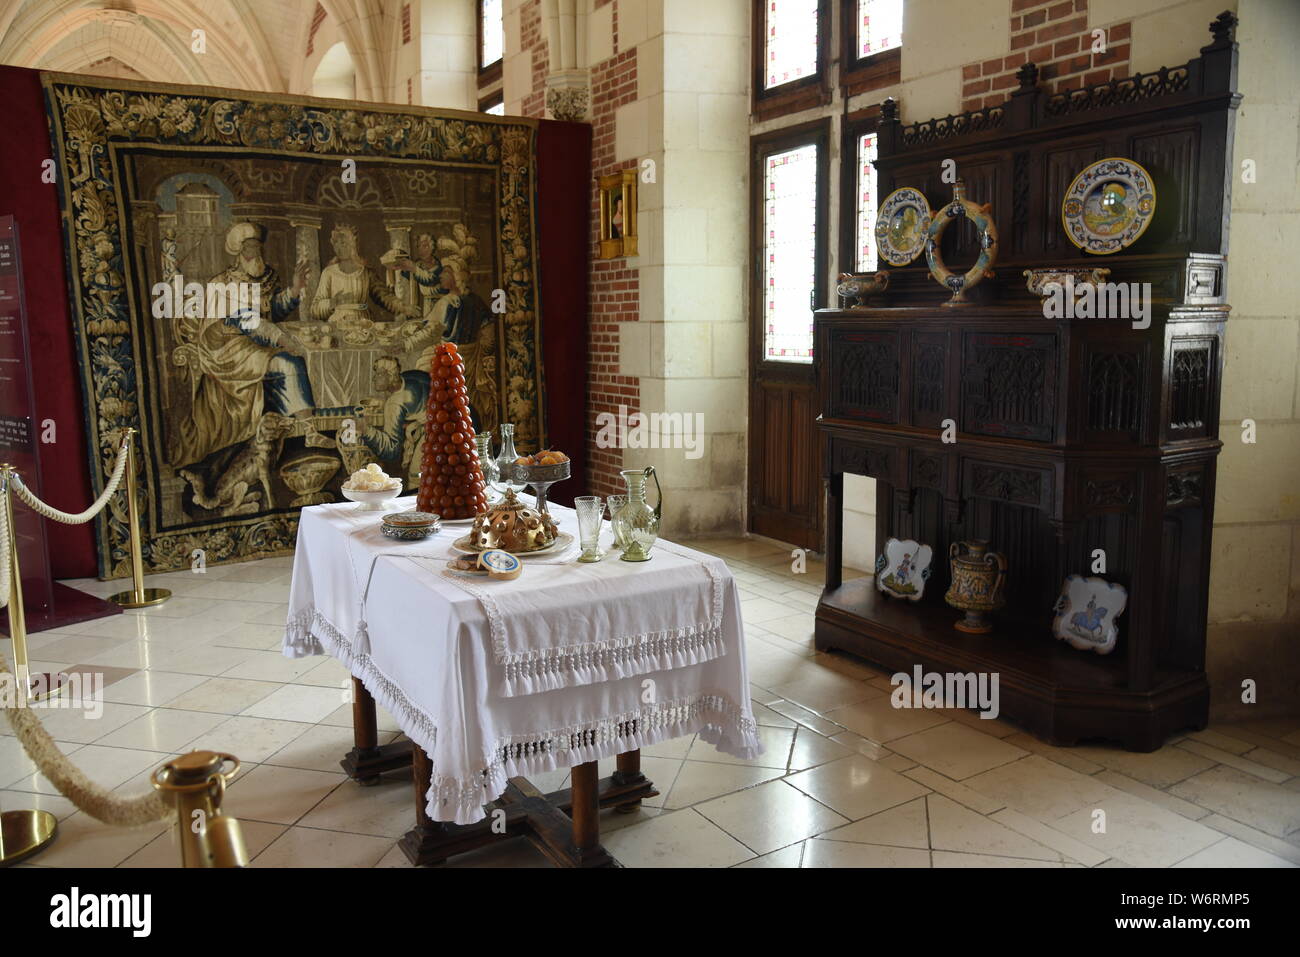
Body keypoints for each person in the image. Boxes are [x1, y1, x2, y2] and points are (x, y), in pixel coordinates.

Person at [171, 221, 312, 467]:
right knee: (288, 362)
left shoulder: (266, 277)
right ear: (238, 250)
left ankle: (306, 430)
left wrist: (294, 289)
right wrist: (281, 339)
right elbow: (246, 320)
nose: (256, 251)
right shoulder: (222, 283)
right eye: (250, 246)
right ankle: (307, 427)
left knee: (295, 358)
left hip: (254, 343)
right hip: (226, 348)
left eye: (258, 246)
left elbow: (272, 312)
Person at [311, 223, 420, 324]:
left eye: (343, 243)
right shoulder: (329, 273)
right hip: (337, 325)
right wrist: (333, 302)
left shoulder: (366, 272)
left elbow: (384, 297)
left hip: (364, 324)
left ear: (353, 245)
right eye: (336, 243)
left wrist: (404, 307)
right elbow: (315, 309)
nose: (339, 248)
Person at [361, 355, 429, 489]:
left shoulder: (394, 405)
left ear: (391, 376)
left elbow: (391, 450)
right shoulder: (411, 376)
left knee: (416, 477)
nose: (374, 378)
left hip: (435, 432)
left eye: (378, 374)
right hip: (460, 419)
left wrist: (366, 430)